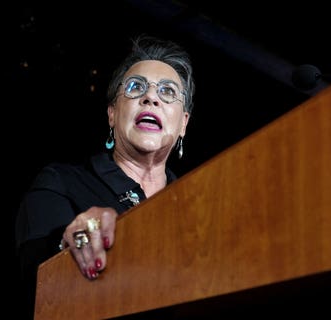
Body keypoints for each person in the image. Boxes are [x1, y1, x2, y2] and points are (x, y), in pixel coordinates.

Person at [14, 34, 195, 318]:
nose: (151, 98)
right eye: (136, 88)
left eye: (168, 92)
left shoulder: (198, 204)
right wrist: (70, 245)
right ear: (112, 114)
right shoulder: (60, 182)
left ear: (183, 123)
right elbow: (35, 282)